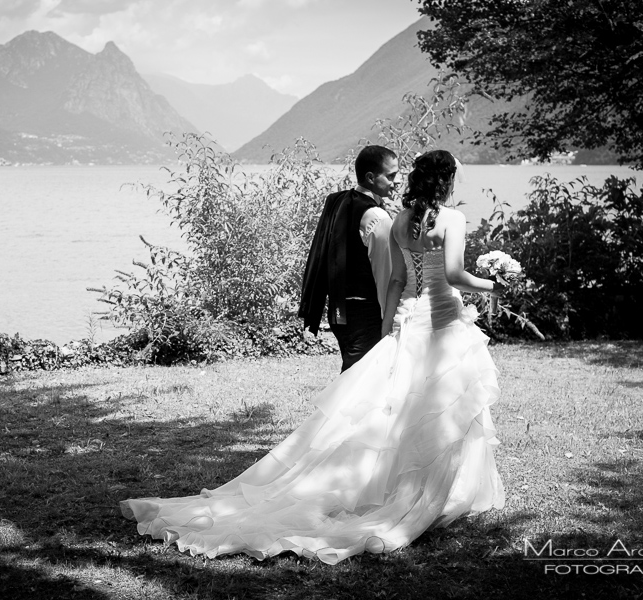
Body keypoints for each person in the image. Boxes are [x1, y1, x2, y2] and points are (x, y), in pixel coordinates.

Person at [120, 149, 506, 565]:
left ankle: (409, 485)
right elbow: (452, 275)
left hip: (408, 322)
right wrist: (494, 284)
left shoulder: (398, 220)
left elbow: (396, 280)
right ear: (446, 180)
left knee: (399, 412)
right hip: (443, 321)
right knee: (444, 405)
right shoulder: (452, 219)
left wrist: (386, 331)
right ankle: (436, 493)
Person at [298, 145, 398, 372]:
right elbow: (385, 275)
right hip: (367, 314)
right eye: (390, 176)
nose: (396, 181)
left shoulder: (341, 203)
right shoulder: (377, 216)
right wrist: (389, 320)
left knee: (357, 376)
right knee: (360, 382)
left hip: (339, 311)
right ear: (371, 177)